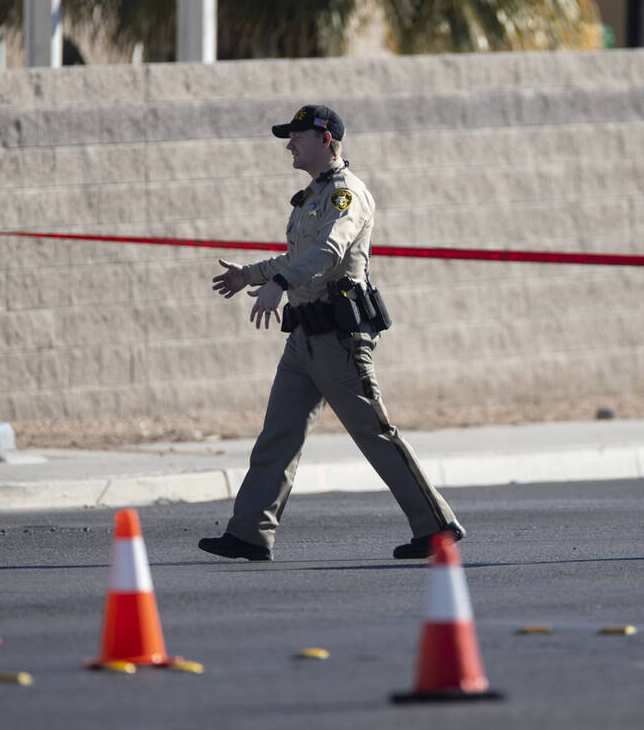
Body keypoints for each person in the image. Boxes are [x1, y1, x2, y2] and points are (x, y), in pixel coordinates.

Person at [198, 105, 464, 562]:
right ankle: (249, 534)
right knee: (277, 437)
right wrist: (253, 275)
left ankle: (437, 527)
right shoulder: (311, 198)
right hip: (303, 339)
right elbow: (296, 257)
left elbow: (328, 251)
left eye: (296, 136)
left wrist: (278, 285)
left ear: (325, 140)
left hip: (339, 342)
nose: (288, 145)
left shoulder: (346, 195)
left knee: (376, 435)